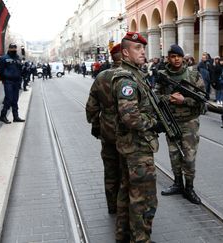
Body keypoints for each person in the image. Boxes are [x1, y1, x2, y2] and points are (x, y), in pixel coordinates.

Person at [111, 32, 161, 243]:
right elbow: (130, 116)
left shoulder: (136, 75)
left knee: (127, 192)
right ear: (125, 52)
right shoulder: (126, 79)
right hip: (137, 147)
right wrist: (153, 123)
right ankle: (141, 239)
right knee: (144, 199)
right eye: (137, 49)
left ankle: (123, 235)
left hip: (130, 146)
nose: (142, 52)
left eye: (143, 48)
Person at [155, 44, 205, 205]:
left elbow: (202, 103)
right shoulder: (162, 75)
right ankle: (178, 183)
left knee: (189, 158)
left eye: (178, 56)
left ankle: (189, 187)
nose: (176, 59)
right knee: (174, 155)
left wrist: (184, 100)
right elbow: (155, 98)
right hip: (171, 121)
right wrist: (168, 98)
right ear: (168, 58)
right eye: (172, 56)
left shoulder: (193, 75)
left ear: (183, 58)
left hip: (189, 122)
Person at [85, 44, 122, 215]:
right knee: (127, 170)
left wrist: (95, 124)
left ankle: (112, 206)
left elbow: (92, 106)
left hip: (107, 131)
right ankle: (125, 206)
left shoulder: (101, 77)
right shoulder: (133, 75)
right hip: (128, 133)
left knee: (110, 170)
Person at [0, 43, 25, 124]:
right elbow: (0, 70)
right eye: (12, 48)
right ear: (9, 49)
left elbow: (20, 69)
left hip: (16, 81)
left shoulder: (18, 58)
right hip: (8, 81)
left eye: (15, 48)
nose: (13, 50)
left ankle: (15, 117)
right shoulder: (3, 58)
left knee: (15, 99)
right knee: (9, 98)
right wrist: (4, 78)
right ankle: (3, 116)